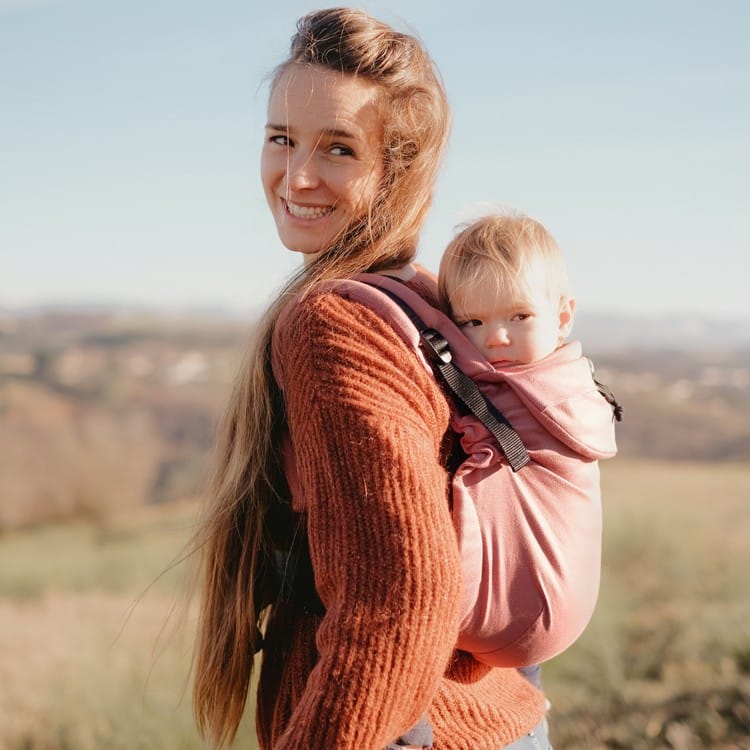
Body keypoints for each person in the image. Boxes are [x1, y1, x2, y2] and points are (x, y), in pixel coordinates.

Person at [191, 8, 552, 750]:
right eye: (281, 138)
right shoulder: (423, 298)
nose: (297, 175)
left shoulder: (334, 325)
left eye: (340, 148)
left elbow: (400, 596)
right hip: (499, 720)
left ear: (398, 165)